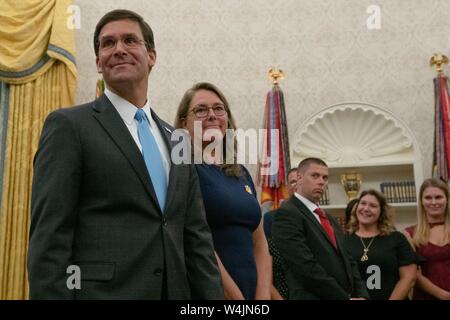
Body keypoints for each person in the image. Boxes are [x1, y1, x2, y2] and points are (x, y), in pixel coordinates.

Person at [28, 9, 223, 299]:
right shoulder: (69, 126)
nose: (118, 49)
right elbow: (49, 238)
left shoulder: (178, 140)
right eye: (108, 44)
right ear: (98, 62)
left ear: (152, 56)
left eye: (130, 40)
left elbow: (196, 240)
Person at [174, 82, 271, 300]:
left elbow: (260, 242)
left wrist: (263, 295)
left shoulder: (241, 173)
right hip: (209, 292)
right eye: (201, 110)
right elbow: (193, 240)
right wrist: (234, 296)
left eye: (219, 108)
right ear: (184, 123)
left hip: (252, 293)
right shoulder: (182, 169)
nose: (211, 115)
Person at [272, 157, 368, 300]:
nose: (321, 181)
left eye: (325, 177)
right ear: (299, 178)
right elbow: (304, 266)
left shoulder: (328, 218)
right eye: (315, 176)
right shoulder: (287, 213)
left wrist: (362, 295)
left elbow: (348, 260)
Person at [345, 189, 417, 300]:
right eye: (363, 203)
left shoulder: (396, 238)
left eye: (373, 206)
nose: (366, 209)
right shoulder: (343, 241)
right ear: (356, 208)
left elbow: (409, 277)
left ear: (381, 212)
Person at [403, 178, 450, 300]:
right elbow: (413, 274)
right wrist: (444, 295)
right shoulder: (409, 234)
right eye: (428, 198)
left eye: (439, 197)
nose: (433, 202)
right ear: (421, 202)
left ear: (447, 200)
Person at [263, 168, 298, 299]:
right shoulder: (271, 219)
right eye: (292, 182)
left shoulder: (318, 217)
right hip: (281, 290)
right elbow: (267, 259)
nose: (296, 186)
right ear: (287, 187)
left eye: (299, 181)